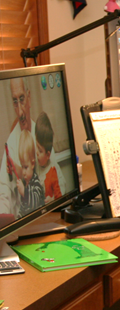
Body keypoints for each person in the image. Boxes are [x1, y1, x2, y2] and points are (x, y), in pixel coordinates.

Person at [0, 77, 66, 216]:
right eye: (15, 101)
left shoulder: (41, 136)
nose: (20, 112)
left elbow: (59, 180)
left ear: (29, 97)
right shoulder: (11, 144)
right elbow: (3, 193)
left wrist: (55, 201)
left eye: (22, 99)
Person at [35, 111, 62, 203]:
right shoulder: (36, 166)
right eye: (36, 147)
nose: (36, 153)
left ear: (48, 155)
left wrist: (53, 200)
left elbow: (60, 194)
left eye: (40, 150)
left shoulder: (53, 171)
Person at [16, 129, 44, 217]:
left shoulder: (36, 182)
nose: (23, 172)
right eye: (22, 166)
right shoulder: (26, 183)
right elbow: (23, 207)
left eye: (25, 167)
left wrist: (24, 192)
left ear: (32, 164)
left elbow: (34, 202)